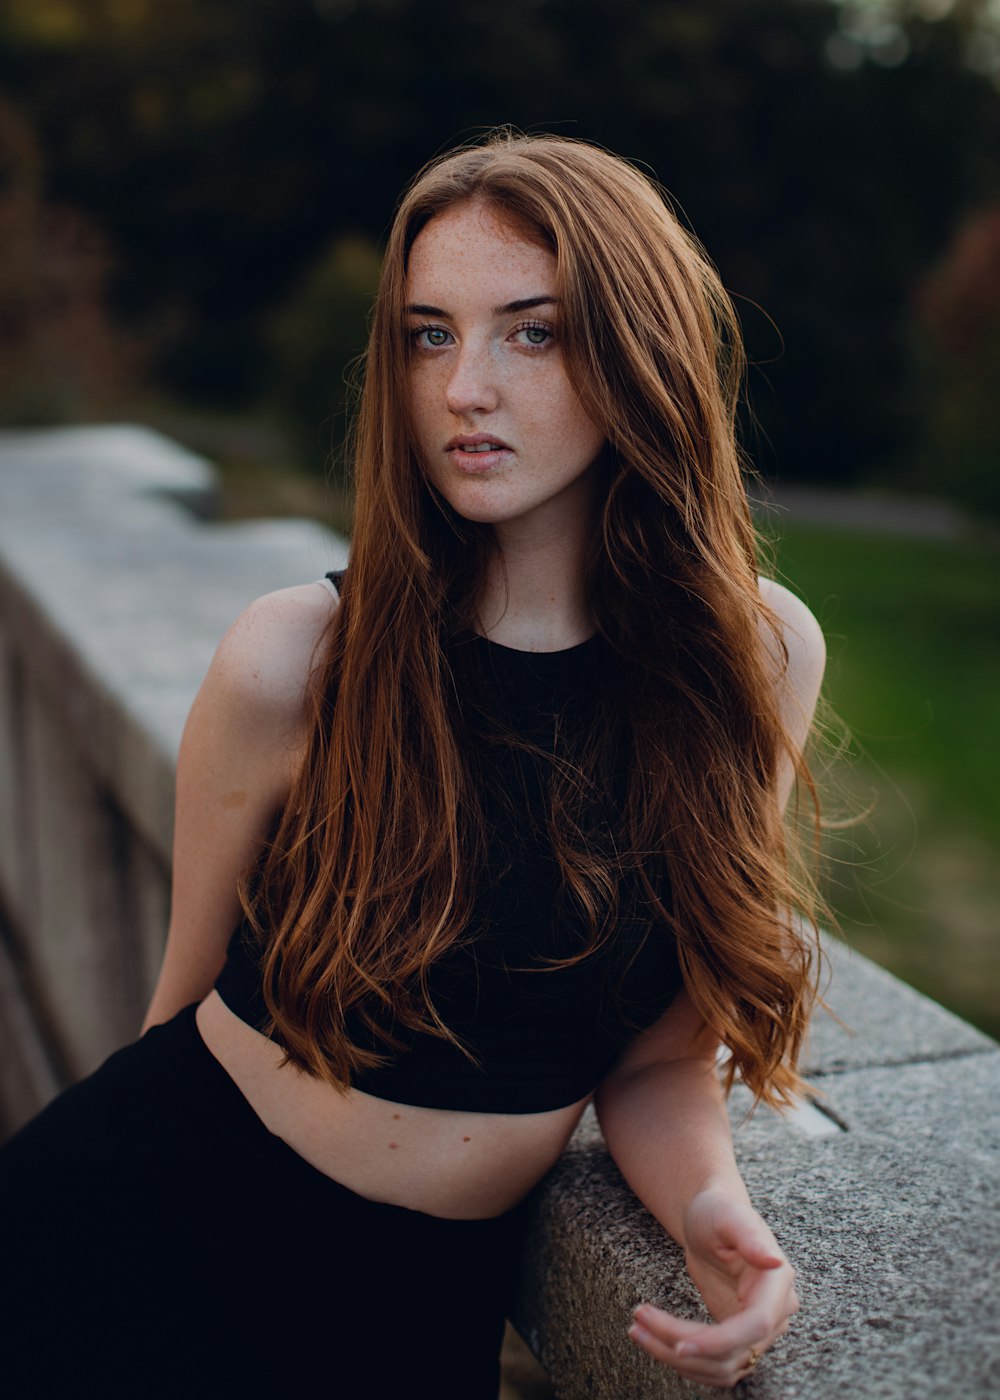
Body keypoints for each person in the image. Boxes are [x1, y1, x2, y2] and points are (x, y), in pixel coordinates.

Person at [0, 131, 825, 1398]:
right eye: (428, 333)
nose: (462, 388)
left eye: (529, 332)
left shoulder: (752, 657)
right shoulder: (298, 658)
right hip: (135, 1251)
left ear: (636, 348)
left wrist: (714, 1206)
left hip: (412, 1312)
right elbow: (179, 1012)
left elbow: (661, 1055)